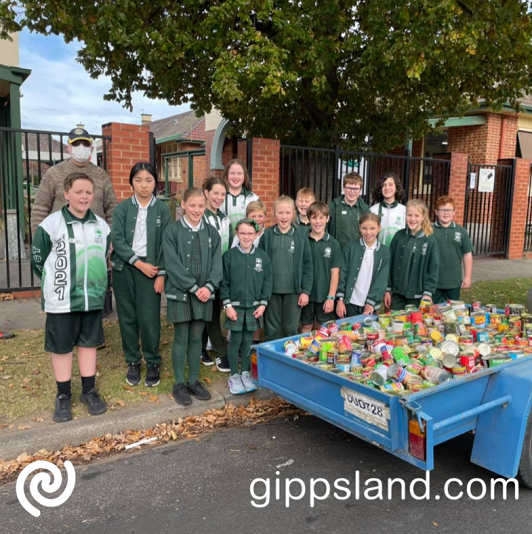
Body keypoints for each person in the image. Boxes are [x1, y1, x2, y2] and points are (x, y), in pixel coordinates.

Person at [30, 172, 110, 423]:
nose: (84, 196)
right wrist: (56, 284)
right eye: (78, 191)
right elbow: (38, 261)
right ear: (66, 194)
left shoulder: (101, 225)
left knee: (88, 344)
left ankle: (89, 391)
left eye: (88, 192)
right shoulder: (51, 224)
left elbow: (103, 255)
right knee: (62, 347)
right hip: (61, 301)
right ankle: (63, 395)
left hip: (92, 299)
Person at [111, 162, 171, 388]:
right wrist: (137, 263)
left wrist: (161, 274)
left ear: (155, 182)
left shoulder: (163, 210)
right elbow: (117, 240)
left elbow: (167, 244)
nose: (143, 185)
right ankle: (133, 361)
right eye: (138, 180)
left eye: (148, 180)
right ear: (131, 182)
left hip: (152, 270)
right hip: (125, 268)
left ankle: (153, 361)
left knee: (149, 318)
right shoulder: (123, 208)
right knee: (127, 317)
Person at [162, 188, 223, 406]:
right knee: (181, 336)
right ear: (184, 205)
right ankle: (179, 383)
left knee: (197, 336)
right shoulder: (172, 231)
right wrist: (192, 287)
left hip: (204, 293)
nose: (197, 210)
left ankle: (194, 381)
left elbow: (217, 263)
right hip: (181, 292)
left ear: (205, 207)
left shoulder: (212, 233)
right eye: (193, 205)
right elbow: (172, 264)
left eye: (200, 206)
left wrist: (208, 286)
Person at [31, 127, 117, 234]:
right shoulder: (54, 173)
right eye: (76, 144)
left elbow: (112, 210)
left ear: (92, 148)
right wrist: (39, 240)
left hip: (95, 241)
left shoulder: (101, 175)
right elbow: (40, 209)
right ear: (69, 148)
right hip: (61, 242)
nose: (81, 147)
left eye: (85, 144)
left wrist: (110, 237)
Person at [220, 219, 272, 395]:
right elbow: (224, 283)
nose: (246, 237)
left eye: (250, 233)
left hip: (254, 307)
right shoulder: (229, 256)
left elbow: (267, 281)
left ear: (256, 234)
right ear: (237, 234)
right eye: (242, 233)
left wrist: (263, 304)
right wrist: (227, 305)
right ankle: (234, 375)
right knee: (235, 340)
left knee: (248, 341)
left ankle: (245, 373)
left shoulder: (262, 257)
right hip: (234, 306)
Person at [259, 196, 313, 341]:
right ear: (274, 213)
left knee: (291, 329)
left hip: (293, 291)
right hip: (272, 291)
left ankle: (288, 360)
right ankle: (271, 360)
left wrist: (306, 291)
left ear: (293, 214)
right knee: (272, 329)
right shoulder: (268, 235)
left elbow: (308, 265)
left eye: (288, 213)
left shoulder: (300, 236)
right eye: (280, 212)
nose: (284, 217)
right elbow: (261, 263)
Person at [201, 177, 233, 372]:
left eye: (223, 194)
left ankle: (204, 347)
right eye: (216, 193)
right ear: (206, 192)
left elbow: (227, 248)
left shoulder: (225, 219)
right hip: (205, 274)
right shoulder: (201, 216)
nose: (219, 197)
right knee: (209, 313)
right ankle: (220, 352)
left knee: (216, 311)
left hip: (222, 273)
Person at [384, 200, 440, 311]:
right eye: (409, 215)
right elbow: (389, 264)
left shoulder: (430, 240)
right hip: (397, 294)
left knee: (416, 326)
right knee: (396, 325)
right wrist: (387, 289)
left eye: (417, 215)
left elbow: (433, 269)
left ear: (423, 216)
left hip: (418, 296)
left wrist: (428, 293)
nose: (412, 219)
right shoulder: (399, 236)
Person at [336, 213, 390, 317]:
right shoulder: (350, 247)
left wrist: (371, 302)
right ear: (359, 228)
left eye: (372, 228)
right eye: (364, 228)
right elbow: (342, 274)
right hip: (350, 302)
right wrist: (340, 300)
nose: (368, 232)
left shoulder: (384, 251)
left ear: (379, 228)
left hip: (370, 305)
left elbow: (382, 279)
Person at [300, 202, 341, 333]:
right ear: (308, 219)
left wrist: (331, 297)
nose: (318, 221)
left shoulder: (333, 243)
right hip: (306, 294)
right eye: (314, 217)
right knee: (306, 326)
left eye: (321, 217)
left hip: (324, 295)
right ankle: (305, 353)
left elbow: (335, 273)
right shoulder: (302, 239)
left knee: (324, 329)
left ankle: (321, 354)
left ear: (327, 219)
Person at [432, 196, 474, 304]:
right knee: (434, 313)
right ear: (436, 212)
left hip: (453, 282)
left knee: (453, 313)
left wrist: (467, 277)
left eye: (449, 210)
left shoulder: (461, 231)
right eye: (442, 210)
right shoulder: (429, 230)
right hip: (433, 281)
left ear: (454, 212)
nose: (446, 213)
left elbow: (467, 255)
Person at [328, 171, 370, 249]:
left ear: (360, 190)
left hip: (356, 252)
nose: (352, 191)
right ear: (343, 188)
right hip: (337, 251)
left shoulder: (364, 209)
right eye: (349, 188)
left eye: (356, 188)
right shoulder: (333, 206)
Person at [220, 159, 259, 229]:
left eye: (239, 173)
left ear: (244, 175)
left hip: (247, 238)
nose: (236, 177)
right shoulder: (219, 198)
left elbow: (258, 225)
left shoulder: (253, 198)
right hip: (223, 239)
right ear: (227, 175)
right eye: (232, 173)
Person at [370, 172, 406, 247]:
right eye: (384, 185)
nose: (387, 188)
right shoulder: (373, 210)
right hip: (377, 253)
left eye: (390, 184)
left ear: (396, 187)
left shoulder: (404, 210)